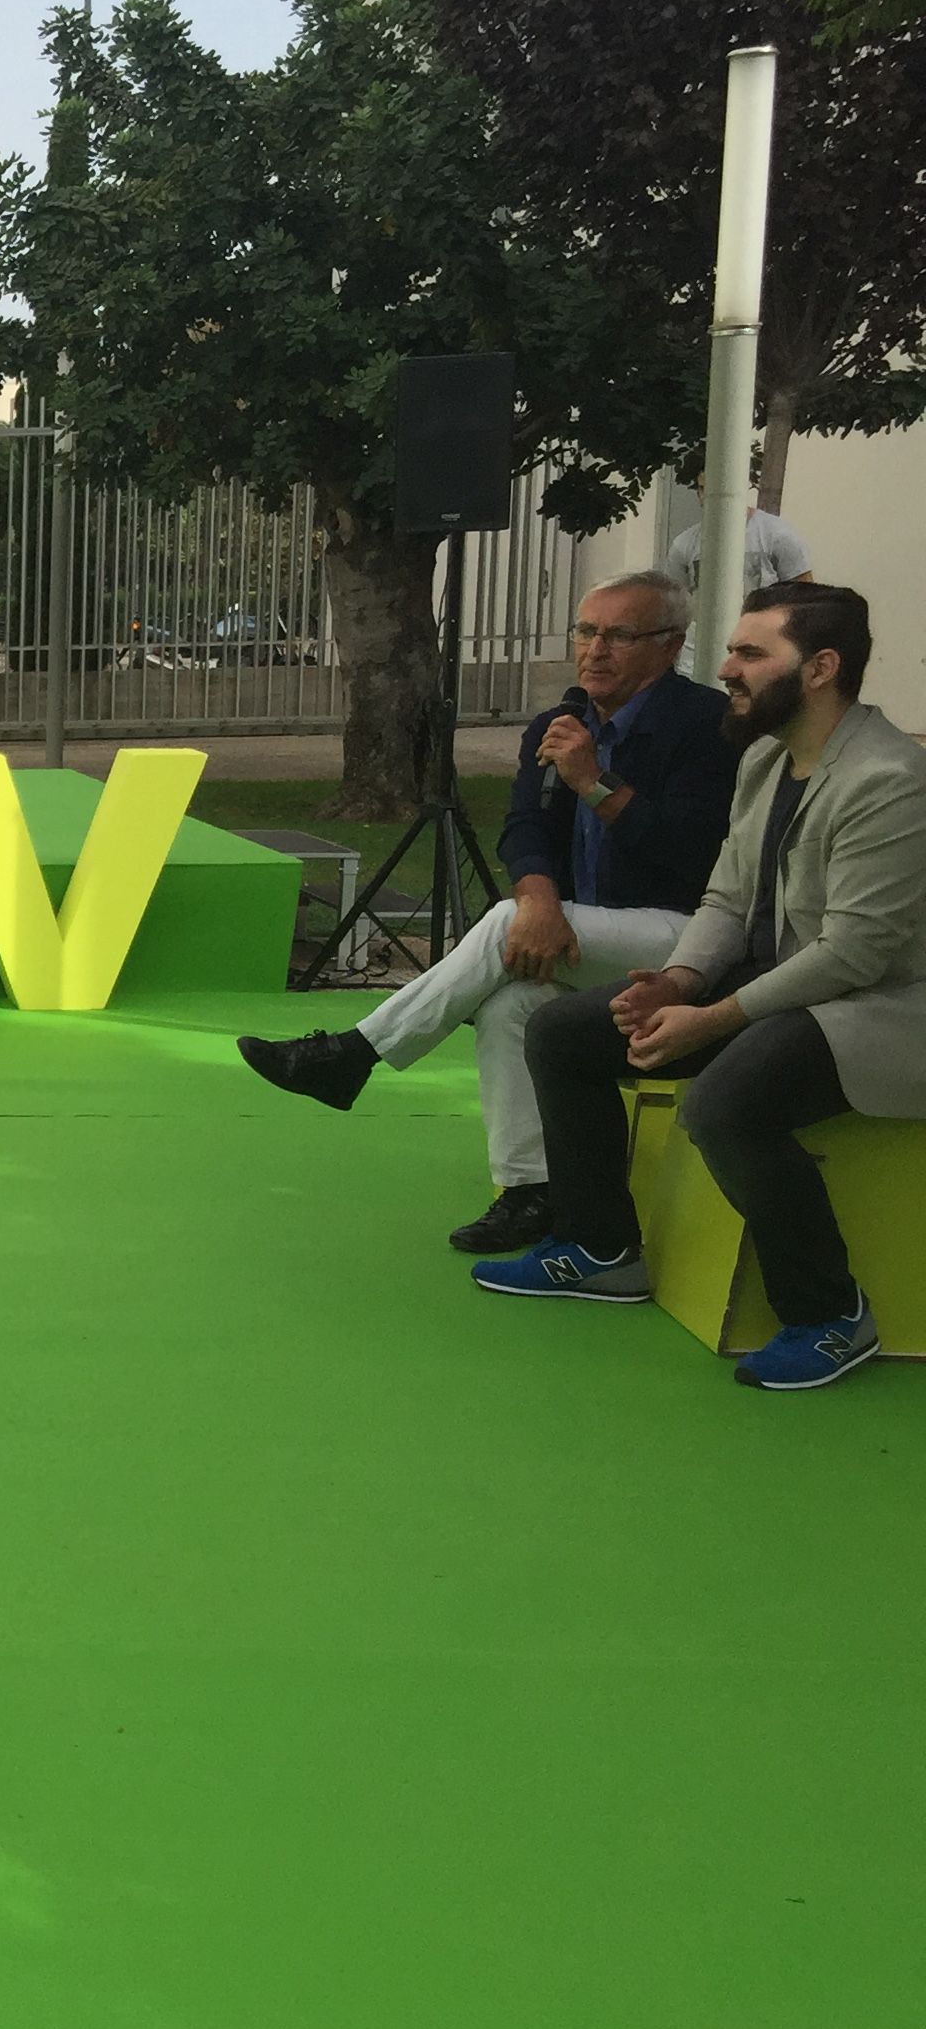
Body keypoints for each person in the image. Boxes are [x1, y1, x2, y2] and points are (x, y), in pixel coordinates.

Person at [478, 587, 926, 1391]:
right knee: (563, 1032)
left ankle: (829, 1315)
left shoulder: (890, 777)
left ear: (821, 668)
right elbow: (725, 899)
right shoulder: (765, 759)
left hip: (882, 1009)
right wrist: (676, 981)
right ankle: (600, 1248)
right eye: (732, 651)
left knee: (725, 1103)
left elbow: (854, 955)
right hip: (788, 983)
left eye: (751, 654)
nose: (726, 669)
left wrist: (708, 1016)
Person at [236, 570, 739, 1249]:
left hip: (690, 941)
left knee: (503, 924)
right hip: (590, 935)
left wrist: (594, 783)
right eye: (586, 631)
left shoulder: (707, 727)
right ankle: (531, 1192)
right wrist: (540, 900)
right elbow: (525, 829)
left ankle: (353, 1053)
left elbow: (691, 851)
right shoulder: (558, 725)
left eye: (620, 635)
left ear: (670, 644)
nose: (595, 650)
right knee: (511, 1003)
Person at [664, 455, 814, 594]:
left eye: (718, 488)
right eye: (703, 488)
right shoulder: (683, 545)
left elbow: (804, 598)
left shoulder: (779, 536)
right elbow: (676, 603)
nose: (709, 496)